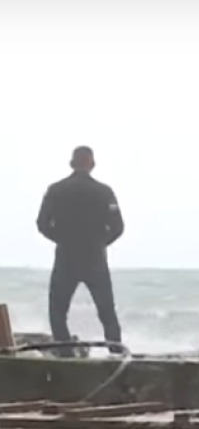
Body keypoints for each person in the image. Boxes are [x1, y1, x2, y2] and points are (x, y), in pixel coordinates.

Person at [36, 146, 125, 355]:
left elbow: (42, 223)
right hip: (95, 258)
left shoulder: (56, 189)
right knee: (106, 312)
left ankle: (65, 354)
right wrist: (100, 242)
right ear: (92, 165)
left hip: (66, 257)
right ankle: (116, 353)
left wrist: (62, 238)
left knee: (57, 313)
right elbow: (118, 227)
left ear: (71, 164)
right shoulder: (104, 192)